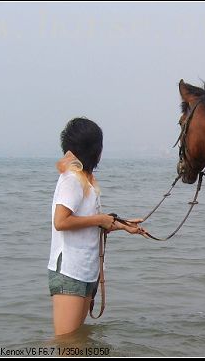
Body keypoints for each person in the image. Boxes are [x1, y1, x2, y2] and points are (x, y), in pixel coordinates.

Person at [48, 117, 146, 336]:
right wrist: (100, 220)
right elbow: (61, 221)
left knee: (77, 340)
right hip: (69, 271)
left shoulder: (86, 179)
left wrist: (123, 225)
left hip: (85, 270)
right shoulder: (71, 179)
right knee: (67, 344)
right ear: (96, 150)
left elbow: (88, 222)